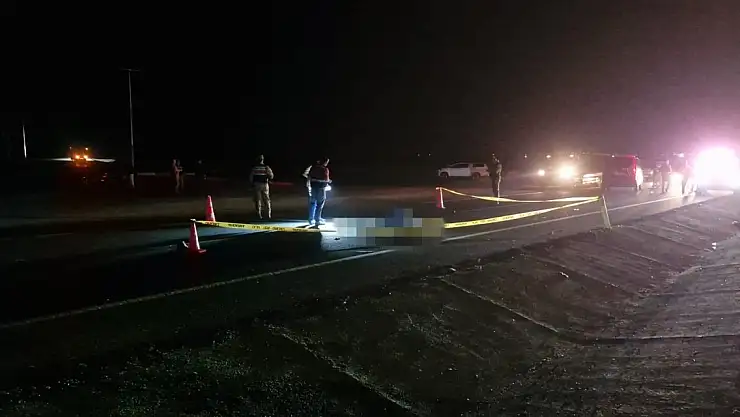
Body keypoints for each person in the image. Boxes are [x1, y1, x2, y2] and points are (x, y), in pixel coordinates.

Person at [307, 157, 331, 226]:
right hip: (321, 188)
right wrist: (328, 182)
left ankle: (311, 219)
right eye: (327, 162)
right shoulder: (325, 169)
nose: (327, 163)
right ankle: (317, 219)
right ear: (325, 162)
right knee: (320, 204)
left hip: (313, 187)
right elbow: (326, 180)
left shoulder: (313, 168)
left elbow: (309, 177)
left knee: (312, 203)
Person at [249, 155, 274, 219]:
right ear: (263, 160)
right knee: (266, 200)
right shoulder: (266, 167)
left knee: (258, 200)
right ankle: (268, 214)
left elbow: (251, 177)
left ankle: (259, 214)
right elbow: (271, 176)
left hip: (257, 185)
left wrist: (252, 184)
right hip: (264, 185)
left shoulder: (255, 168)